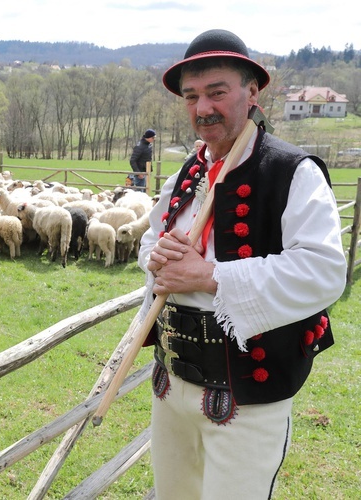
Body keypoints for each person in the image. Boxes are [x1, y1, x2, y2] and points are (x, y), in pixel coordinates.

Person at [137, 29, 346, 499]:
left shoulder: (293, 172)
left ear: (253, 93)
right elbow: (150, 241)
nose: (203, 107)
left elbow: (324, 271)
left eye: (217, 92)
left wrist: (210, 275)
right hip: (172, 379)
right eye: (191, 96)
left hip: (247, 391)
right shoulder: (186, 174)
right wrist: (155, 257)